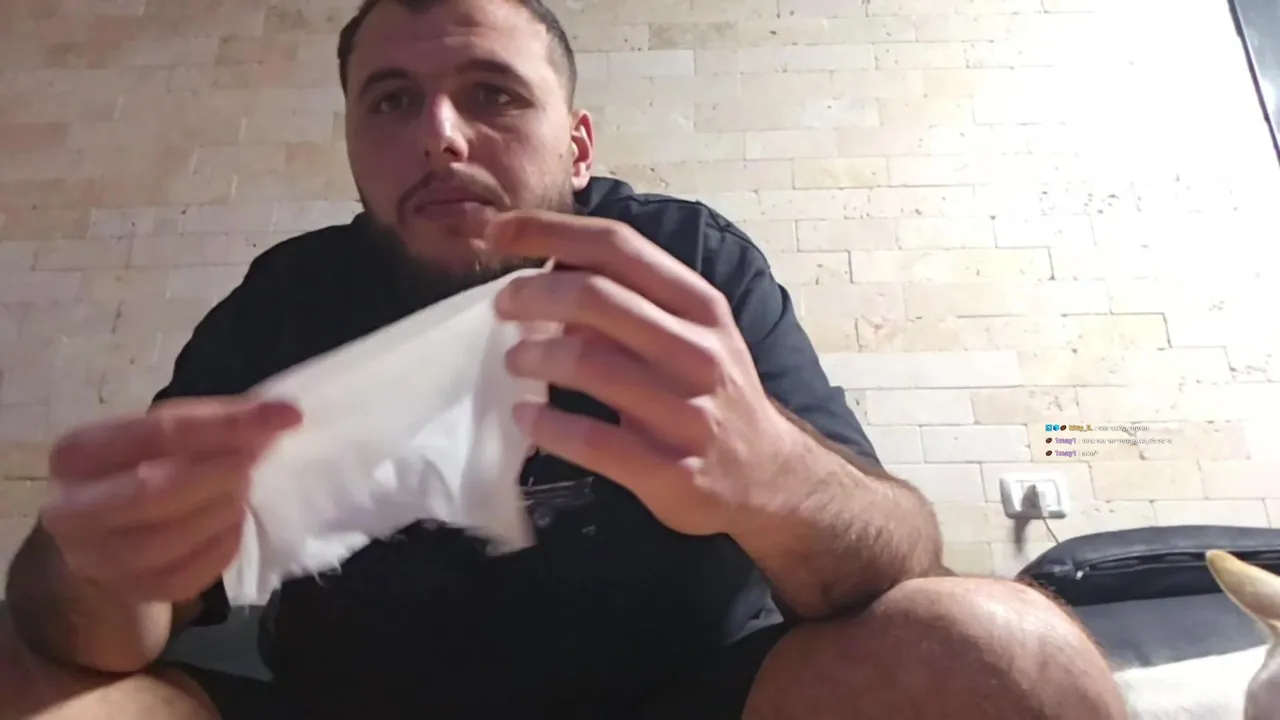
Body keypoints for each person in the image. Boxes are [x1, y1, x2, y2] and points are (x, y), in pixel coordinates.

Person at [0, 0, 1128, 718]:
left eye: (491, 95)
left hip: (689, 698)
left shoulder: (686, 265)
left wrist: (775, 478)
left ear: (576, 144)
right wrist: (104, 561)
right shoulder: (286, 304)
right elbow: (89, 632)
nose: (439, 134)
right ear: (352, 145)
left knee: (1000, 651)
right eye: (392, 102)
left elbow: (894, 563)